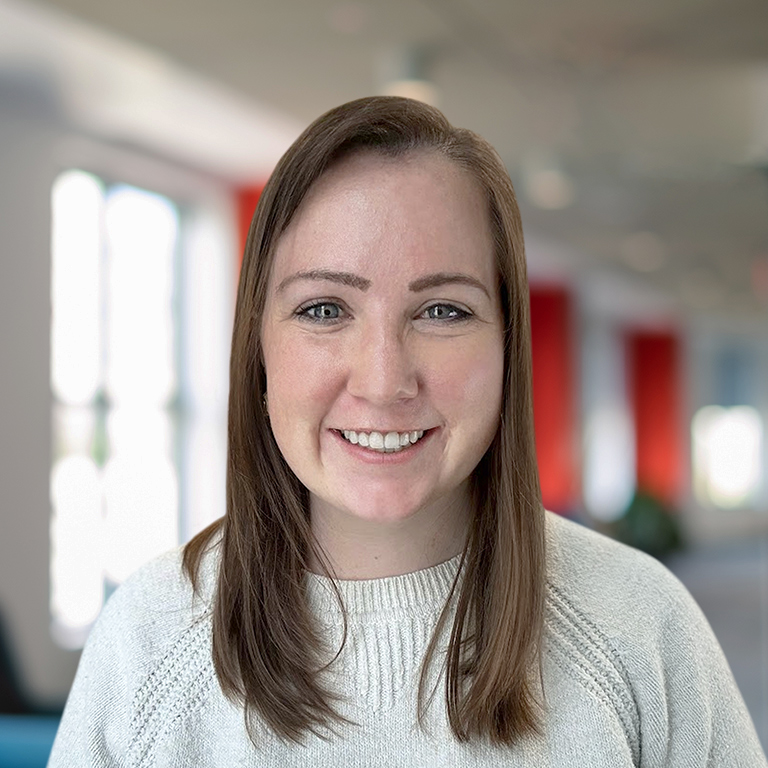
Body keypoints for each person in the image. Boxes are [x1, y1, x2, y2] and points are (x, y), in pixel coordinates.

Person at [48, 96, 766, 767]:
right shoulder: (150, 638)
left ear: (508, 346)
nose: (384, 381)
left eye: (443, 311)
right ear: (258, 349)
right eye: (325, 310)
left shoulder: (639, 625)